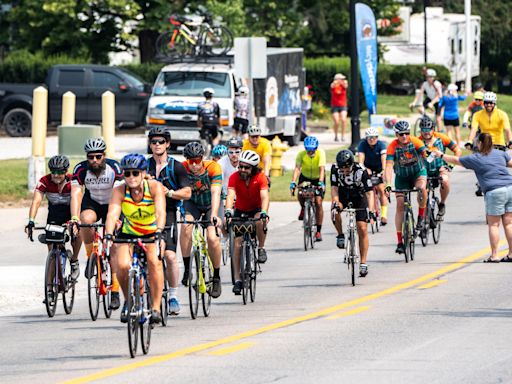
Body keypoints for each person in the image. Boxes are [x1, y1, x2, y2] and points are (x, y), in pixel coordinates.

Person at [104, 154, 166, 324]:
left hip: (152, 231)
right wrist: (108, 235)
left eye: (135, 173)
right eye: (127, 174)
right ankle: (128, 300)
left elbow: (161, 212)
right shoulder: (120, 190)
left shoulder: (154, 187)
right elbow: (112, 214)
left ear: (143, 173)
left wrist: (159, 232)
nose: (131, 177)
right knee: (122, 265)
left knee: (154, 261)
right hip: (129, 232)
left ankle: (155, 307)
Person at [433, 133, 512, 262]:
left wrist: (440, 155)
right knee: (509, 224)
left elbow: (456, 160)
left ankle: (495, 255)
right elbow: (510, 163)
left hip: (494, 191)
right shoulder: (500, 153)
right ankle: (511, 254)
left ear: (480, 143)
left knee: (494, 224)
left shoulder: (475, 158)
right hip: (510, 188)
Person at [70, 138, 123, 309]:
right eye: (91, 157)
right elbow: (76, 194)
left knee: (113, 245)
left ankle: (115, 290)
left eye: (98, 156)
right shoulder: (80, 169)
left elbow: (119, 194)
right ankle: (90, 257)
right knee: (85, 221)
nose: (94, 160)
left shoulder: (114, 169)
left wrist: (116, 218)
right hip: (92, 202)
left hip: (111, 203)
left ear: (104, 156)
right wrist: (74, 217)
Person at [146, 126, 192, 316]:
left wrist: (169, 193)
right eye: (154, 142)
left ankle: (173, 295)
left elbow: (187, 193)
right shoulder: (144, 166)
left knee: (170, 256)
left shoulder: (176, 166)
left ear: (168, 144)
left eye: (161, 142)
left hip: (169, 213)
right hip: (145, 214)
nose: (157, 145)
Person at [25, 155, 80, 281]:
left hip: (71, 211)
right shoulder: (44, 181)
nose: (56, 175)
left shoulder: (73, 181)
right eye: (53, 172)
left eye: (60, 172)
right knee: (51, 251)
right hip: (54, 213)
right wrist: (31, 221)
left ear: (66, 171)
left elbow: (77, 199)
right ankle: (50, 288)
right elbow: (36, 201)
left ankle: (74, 261)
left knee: (77, 233)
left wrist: (75, 219)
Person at [180, 142, 223, 298]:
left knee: (212, 238)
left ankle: (216, 276)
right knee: (185, 227)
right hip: (193, 203)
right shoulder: (182, 168)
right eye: (191, 161)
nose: (194, 165)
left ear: (202, 158)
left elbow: (216, 192)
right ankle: (186, 269)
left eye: (197, 160)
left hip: (212, 204)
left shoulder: (213, 167)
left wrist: (215, 214)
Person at [225, 150, 270, 294]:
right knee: (237, 244)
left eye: (246, 167)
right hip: (240, 210)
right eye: (241, 166)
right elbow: (231, 195)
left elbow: (264, 197)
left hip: (256, 209)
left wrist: (264, 212)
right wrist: (228, 210)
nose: (242, 170)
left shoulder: (260, 177)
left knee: (259, 221)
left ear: (254, 168)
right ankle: (238, 280)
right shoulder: (234, 177)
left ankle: (261, 248)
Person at [384, 120, 429, 254]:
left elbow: (425, 153)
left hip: (417, 173)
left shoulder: (415, 141)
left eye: (406, 133)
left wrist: (431, 158)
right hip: (402, 177)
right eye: (401, 134)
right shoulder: (392, 146)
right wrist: (387, 184)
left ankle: (421, 217)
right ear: (396, 134)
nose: (404, 136)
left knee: (421, 188)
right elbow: (388, 166)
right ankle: (399, 241)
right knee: (399, 205)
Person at [331, 149, 372, 277]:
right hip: (344, 195)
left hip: (359, 197)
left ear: (352, 165)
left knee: (362, 228)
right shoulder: (335, 170)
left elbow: (370, 193)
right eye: (341, 169)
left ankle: (363, 263)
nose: (344, 171)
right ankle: (340, 235)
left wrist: (370, 211)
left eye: (347, 168)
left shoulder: (361, 171)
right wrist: (336, 202)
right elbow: (334, 188)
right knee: (334, 210)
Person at [417, 116, 461, 219]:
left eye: (429, 129)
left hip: (440, 168)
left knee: (445, 180)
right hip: (424, 170)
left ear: (433, 129)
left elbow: (457, 150)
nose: (426, 132)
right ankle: (422, 213)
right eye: (423, 130)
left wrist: (451, 165)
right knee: (420, 190)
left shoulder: (441, 138)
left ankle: (442, 203)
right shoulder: (417, 141)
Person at [289, 136, 326, 241]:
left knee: (318, 202)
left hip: (318, 177)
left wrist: (321, 183)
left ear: (316, 148)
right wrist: (293, 182)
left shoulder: (320, 153)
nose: (310, 152)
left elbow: (322, 169)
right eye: (308, 150)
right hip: (305, 176)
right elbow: (297, 169)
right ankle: (303, 208)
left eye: (312, 150)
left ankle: (318, 231)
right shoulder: (301, 154)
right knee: (300, 193)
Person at [357, 127, 389, 226]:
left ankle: (384, 215)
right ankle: (370, 212)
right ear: (366, 138)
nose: (371, 139)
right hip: (368, 168)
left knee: (381, 189)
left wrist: (383, 170)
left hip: (379, 168)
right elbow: (360, 160)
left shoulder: (381, 145)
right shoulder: (362, 145)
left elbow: (384, 159)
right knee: (368, 191)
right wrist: (365, 169)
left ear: (377, 138)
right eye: (369, 137)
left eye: (374, 137)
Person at [439, 83, 466, 148]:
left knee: (449, 132)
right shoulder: (456, 97)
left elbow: (440, 104)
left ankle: (451, 146)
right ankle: (458, 145)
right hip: (455, 116)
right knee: (457, 132)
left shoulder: (445, 97)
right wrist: (466, 94)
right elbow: (463, 98)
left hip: (446, 116)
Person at [330, 73, 349, 142]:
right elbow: (332, 86)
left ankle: (343, 136)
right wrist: (336, 82)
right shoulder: (334, 85)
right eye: (341, 79)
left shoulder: (343, 85)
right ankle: (336, 136)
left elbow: (346, 86)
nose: (343, 80)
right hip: (335, 105)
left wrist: (342, 82)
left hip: (343, 105)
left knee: (343, 120)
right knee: (336, 121)